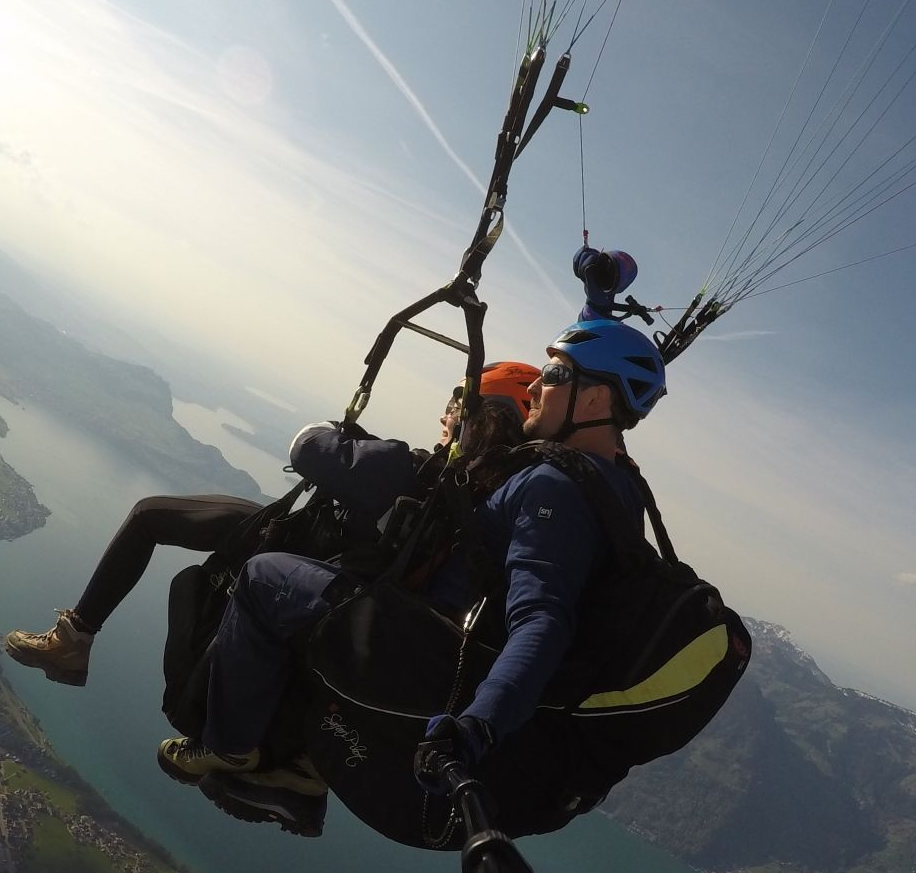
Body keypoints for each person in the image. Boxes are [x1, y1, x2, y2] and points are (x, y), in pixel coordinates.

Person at [158, 248, 667, 839]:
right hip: (441, 646)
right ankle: (300, 769)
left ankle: (227, 747)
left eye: (553, 375)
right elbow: (591, 379)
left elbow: (543, 620)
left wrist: (477, 725)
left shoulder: (556, 491)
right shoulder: (617, 482)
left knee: (266, 577)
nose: (536, 389)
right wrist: (598, 299)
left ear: (596, 401)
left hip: (427, 653)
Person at [0, 362, 539, 689]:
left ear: (478, 417)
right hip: (337, 577)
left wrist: (342, 434)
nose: (445, 413)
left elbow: (307, 446)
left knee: (149, 516)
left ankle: (72, 643)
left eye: (456, 404)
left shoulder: (415, 469)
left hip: (295, 545)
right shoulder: (478, 502)